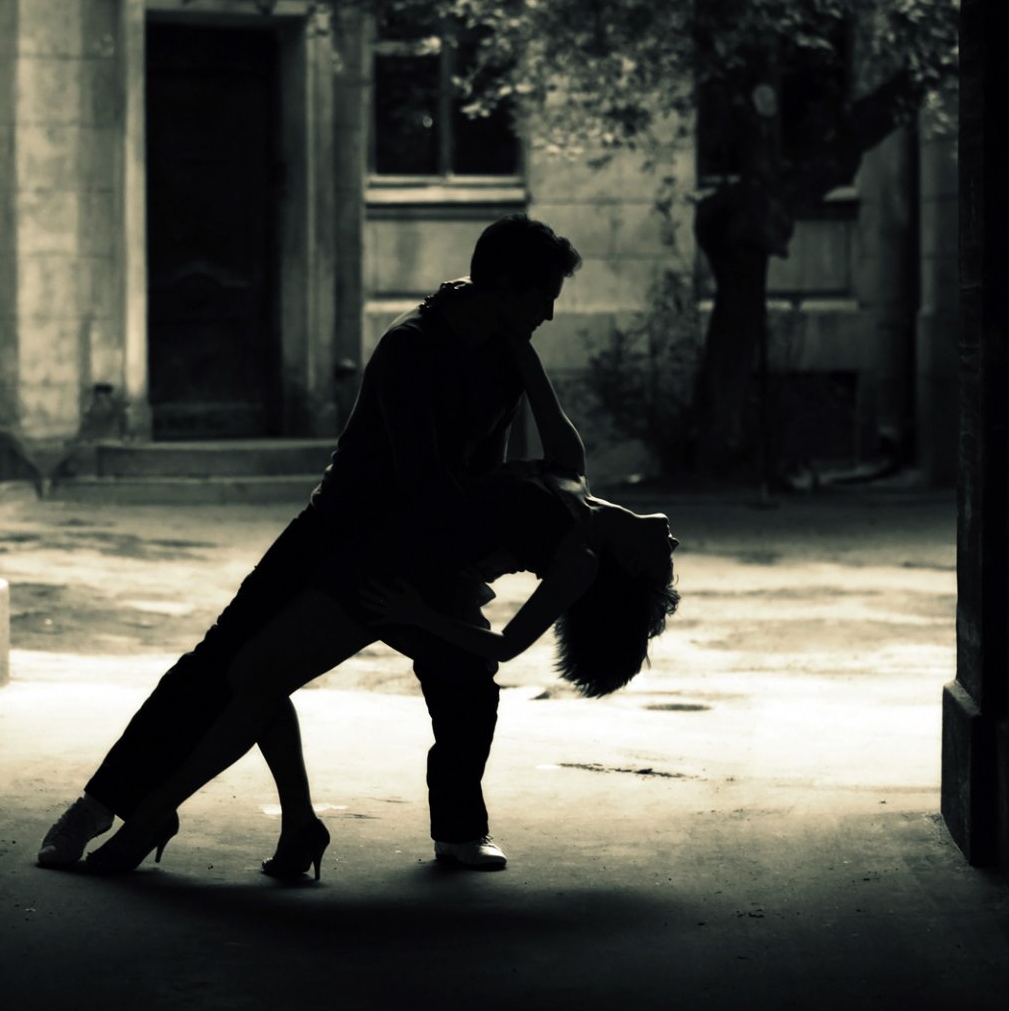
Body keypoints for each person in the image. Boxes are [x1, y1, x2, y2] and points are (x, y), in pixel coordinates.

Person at [38, 218, 587, 873]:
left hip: (431, 542)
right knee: (224, 660)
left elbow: (530, 468)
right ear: (501, 287)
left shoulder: (507, 350)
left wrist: (525, 384)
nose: (550, 315)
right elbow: (429, 481)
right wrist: (504, 504)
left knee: (468, 679)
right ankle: (100, 805)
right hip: (341, 534)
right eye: (542, 297)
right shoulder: (409, 346)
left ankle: (458, 830)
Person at [74, 460, 681, 876]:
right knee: (256, 675)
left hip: (399, 583)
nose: (674, 545)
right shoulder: (575, 475)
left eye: (662, 567)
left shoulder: (579, 557)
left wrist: (418, 612)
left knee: (257, 675)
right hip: (386, 554)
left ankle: (154, 821)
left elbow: (505, 649)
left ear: (624, 569)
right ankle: (293, 828)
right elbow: (536, 390)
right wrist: (516, 346)